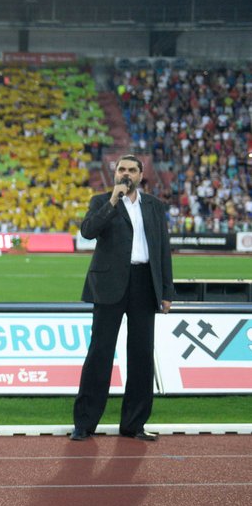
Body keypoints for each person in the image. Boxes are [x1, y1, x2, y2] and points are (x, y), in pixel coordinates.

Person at [71, 155, 175, 442]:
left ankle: (134, 424)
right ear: (114, 173)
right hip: (109, 284)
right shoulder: (102, 200)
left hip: (144, 283)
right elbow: (88, 231)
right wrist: (113, 201)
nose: (126, 174)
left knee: (142, 355)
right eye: (121, 170)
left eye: (131, 169)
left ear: (141, 175)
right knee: (100, 353)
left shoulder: (154, 206)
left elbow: (163, 249)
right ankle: (84, 423)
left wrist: (167, 291)